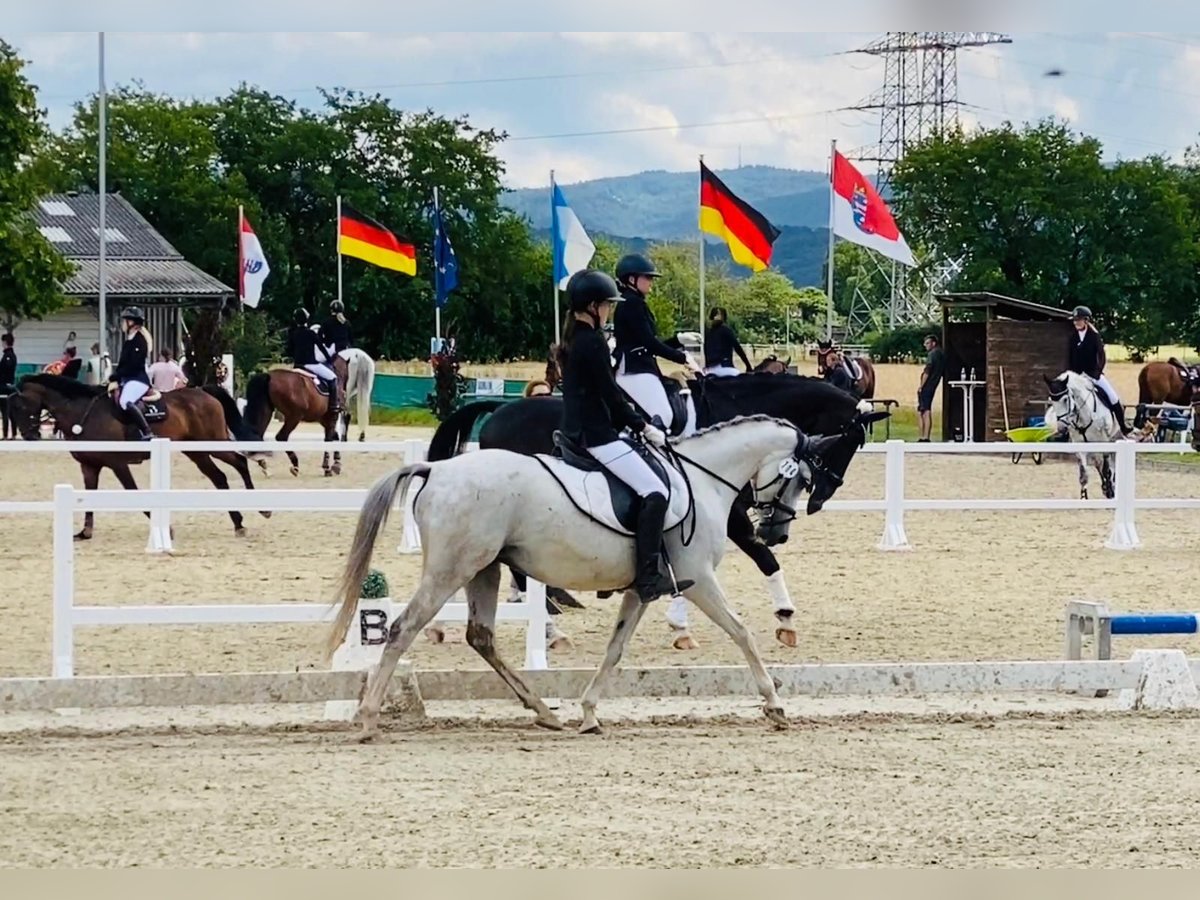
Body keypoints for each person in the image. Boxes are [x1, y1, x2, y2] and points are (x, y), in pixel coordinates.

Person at [558, 269, 694, 604]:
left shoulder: (578, 337)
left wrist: (633, 420)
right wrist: (642, 427)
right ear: (593, 306)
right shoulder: (592, 343)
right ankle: (647, 579)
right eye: (606, 305)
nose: (609, 311)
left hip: (585, 428)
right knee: (656, 492)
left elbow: (608, 392)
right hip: (597, 435)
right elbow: (610, 396)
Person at [611, 252, 702, 430]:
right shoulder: (632, 303)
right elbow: (649, 344)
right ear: (631, 279)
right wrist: (682, 358)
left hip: (641, 365)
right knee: (663, 415)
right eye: (647, 277)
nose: (651, 281)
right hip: (634, 369)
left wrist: (677, 340)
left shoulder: (634, 302)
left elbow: (648, 344)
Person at [1067, 305, 1131, 435]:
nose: (1075, 322)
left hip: (1093, 374)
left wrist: (1097, 372)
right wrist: (1073, 375)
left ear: (1086, 320)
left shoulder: (1094, 336)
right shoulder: (1073, 337)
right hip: (1078, 376)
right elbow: (1070, 358)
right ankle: (1066, 429)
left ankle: (1123, 426)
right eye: (1074, 320)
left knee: (1113, 396)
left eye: (1078, 320)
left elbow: (1101, 356)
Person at [108, 307, 154, 440]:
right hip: (128, 379)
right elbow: (123, 364)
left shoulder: (139, 340)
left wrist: (116, 376)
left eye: (124, 320)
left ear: (131, 322)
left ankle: (147, 431)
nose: (122, 323)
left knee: (125, 401)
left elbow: (134, 365)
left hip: (138, 379)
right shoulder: (130, 340)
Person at [287, 309, 338, 410]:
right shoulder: (310, 333)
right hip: (311, 364)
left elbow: (289, 351)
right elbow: (322, 348)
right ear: (307, 319)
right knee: (333, 378)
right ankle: (333, 405)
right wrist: (330, 360)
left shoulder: (293, 333)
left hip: (297, 365)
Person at [320, 299, 353, 413]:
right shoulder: (347, 323)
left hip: (333, 350)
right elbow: (351, 339)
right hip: (347, 350)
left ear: (331, 310)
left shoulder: (326, 322)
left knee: (322, 364)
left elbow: (320, 338)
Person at [703, 306, 752, 377]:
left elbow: (706, 351)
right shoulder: (726, 330)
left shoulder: (708, 333)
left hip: (709, 369)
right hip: (724, 366)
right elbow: (737, 348)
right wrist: (748, 365)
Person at [917, 334, 945, 442]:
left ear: (933, 343)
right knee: (926, 410)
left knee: (923, 411)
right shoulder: (941, 353)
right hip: (934, 384)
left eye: (928, 343)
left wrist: (921, 386)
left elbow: (927, 371)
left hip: (927, 385)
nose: (926, 345)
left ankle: (923, 436)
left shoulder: (932, 354)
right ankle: (925, 436)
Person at [0, 333, 17, 440]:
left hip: (4, 387)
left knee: (6, 411)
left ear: (5, 342)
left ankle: (6, 434)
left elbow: (5, 371)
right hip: (7, 385)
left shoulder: (8, 356)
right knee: (9, 412)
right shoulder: (9, 355)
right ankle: (12, 433)